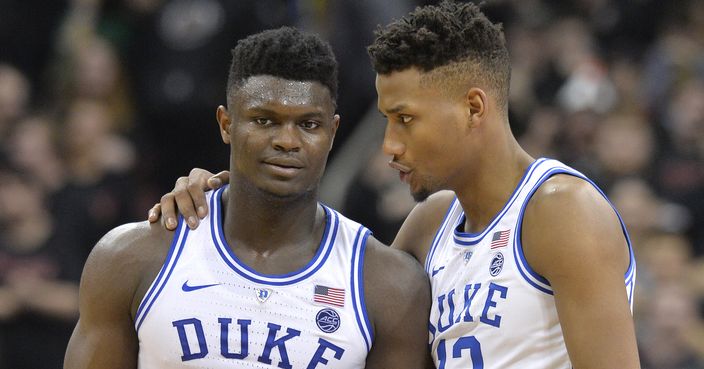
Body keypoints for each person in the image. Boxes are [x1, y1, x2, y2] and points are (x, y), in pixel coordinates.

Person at [152, 2, 641, 368]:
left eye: (406, 119)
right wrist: (228, 196)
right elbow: (331, 291)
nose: (388, 145)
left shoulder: (560, 210)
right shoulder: (430, 225)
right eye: (387, 120)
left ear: (474, 108)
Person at [64, 27, 431, 369]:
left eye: (309, 124)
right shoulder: (131, 257)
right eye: (264, 120)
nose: (287, 141)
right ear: (226, 124)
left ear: (333, 132)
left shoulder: (387, 285)